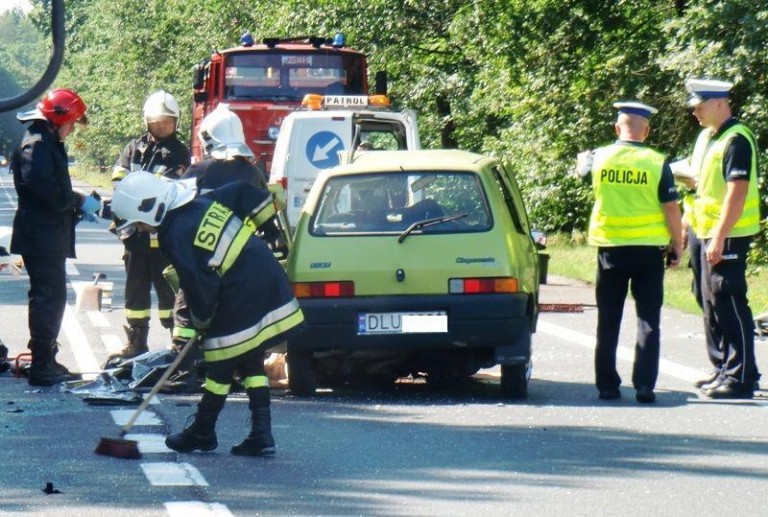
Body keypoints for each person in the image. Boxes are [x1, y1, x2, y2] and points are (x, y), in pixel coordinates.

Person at [110, 171, 305, 456]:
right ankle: (260, 433)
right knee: (248, 357)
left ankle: (203, 429)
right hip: (261, 277)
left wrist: (201, 320)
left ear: (151, 209)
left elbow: (198, 282)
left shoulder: (174, 232)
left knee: (220, 359)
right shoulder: (196, 205)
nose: (140, 229)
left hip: (241, 287)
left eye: (139, 223)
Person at [576, 101, 683, 403]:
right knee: (648, 318)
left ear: (616, 128)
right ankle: (645, 385)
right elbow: (671, 208)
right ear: (646, 130)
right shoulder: (656, 161)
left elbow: (580, 171)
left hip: (610, 249)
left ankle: (607, 385)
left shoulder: (599, 158)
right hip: (649, 252)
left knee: (608, 319)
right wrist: (678, 244)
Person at [163, 103, 268, 392]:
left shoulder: (199, 170)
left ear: (209, 137)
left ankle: (184, 371)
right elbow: (264, 214)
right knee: (232, 317)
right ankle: (231, 372)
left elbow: (177, 207)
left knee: (187, 309)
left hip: (203, 254)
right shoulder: (253, 172)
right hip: (239, 258)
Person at [10, 88, 100, 386]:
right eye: (71, 123)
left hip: (47, 235)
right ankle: (41, 365)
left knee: (52, 298)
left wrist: (74, 203)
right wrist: (77, 200)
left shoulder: (46, 142)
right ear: (56, 119)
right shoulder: (36, 146)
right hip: (40, 236)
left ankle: (46, 358)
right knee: (48, 299)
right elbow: (47, 194)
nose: (72, 129)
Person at [685, 78, 761, 399]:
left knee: (728, 299)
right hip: (703, 230)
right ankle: (722, 367)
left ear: (719, 103)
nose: (695, 113)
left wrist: (719, 236)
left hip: (727, 232)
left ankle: (742, 376)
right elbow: (700, 181)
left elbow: (737, 193)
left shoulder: (736, 140)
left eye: (700, 106)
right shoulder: (708, 137)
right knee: (708, 299)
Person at [110, 90, 190, 360]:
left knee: (168, 289)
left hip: (162, 232)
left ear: (176, 122)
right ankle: (136, 341)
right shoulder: (134, 148)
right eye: (157, 121)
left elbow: (169, 188)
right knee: (135, 289)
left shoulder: (179, 153)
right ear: (147, 122)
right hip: (134, 232)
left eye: (167, 121)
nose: (162, 126)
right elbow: (120, 179)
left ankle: (175, 342)